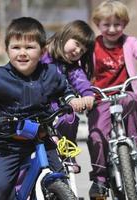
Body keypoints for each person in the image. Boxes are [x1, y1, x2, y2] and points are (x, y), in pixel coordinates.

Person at [0, 17, 79, 200]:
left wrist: (72, 100)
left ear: (42, 50)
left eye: (30, 47)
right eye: (16, 47)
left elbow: (64, 88)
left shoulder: (50, 74)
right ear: (7, 49)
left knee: (60, 177)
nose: (22, 53)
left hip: (42, 138)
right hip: (8, 144)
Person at [87, 0, 137, 198]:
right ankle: (99, 179)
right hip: (100, 98)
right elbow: (78, 67)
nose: (112, 29)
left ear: (125, 24)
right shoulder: (92, 45)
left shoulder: (129, 42)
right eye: (106, 24)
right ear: (98, 24)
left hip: (124, 92)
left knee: (131, 100)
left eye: (117, 24)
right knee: (96, 136)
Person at [41, 20, 96, 173]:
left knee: (70, 118)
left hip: (58, 107)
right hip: (37, 106)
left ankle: (67, 152)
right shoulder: (41, 54)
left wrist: (87, 95)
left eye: (83, 50)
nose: (78, 51)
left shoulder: (71, 66)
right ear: (65, 35)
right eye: (77, 44)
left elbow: (80, 81)